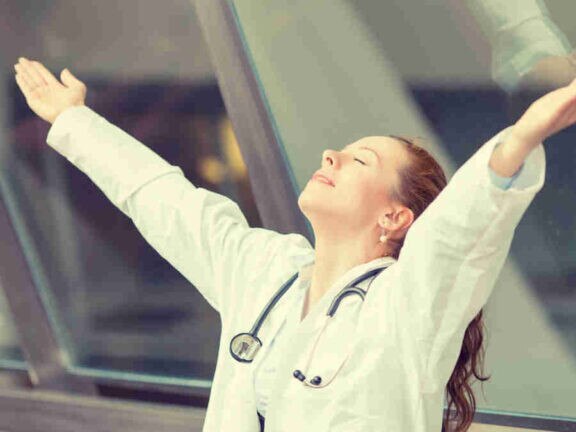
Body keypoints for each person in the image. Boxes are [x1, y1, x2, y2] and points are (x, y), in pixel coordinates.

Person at [12, 56, 576, 431]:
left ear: (396, 216)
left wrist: (523, 136)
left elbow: (459, 232)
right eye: (339, 149)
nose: (330, 156)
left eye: (360, 160)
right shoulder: (265, 270)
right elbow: (166, 201)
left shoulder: (409, 306)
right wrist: (75, 121)